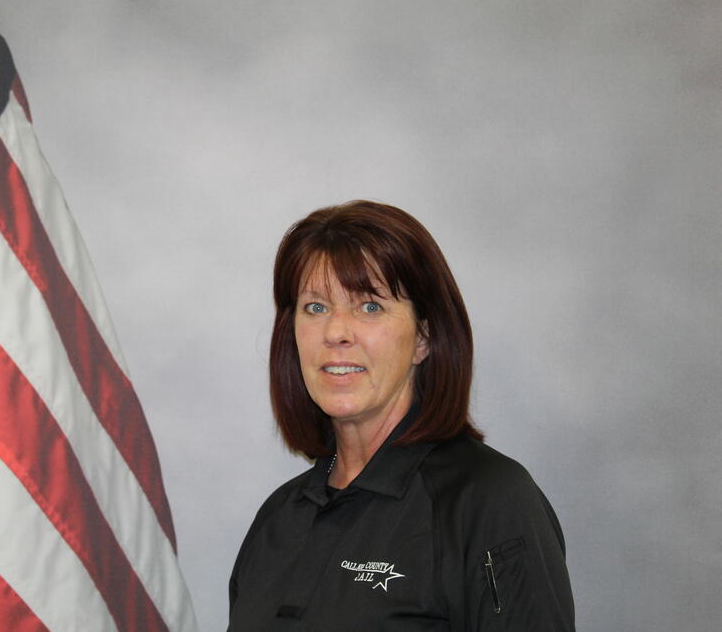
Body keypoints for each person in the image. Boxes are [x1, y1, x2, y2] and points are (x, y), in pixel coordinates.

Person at [228, 201, 575, 631]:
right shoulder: (278, 518)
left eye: (369, 306)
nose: (336, 332)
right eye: (315, 307)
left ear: (423, 338)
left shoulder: (488, 501)